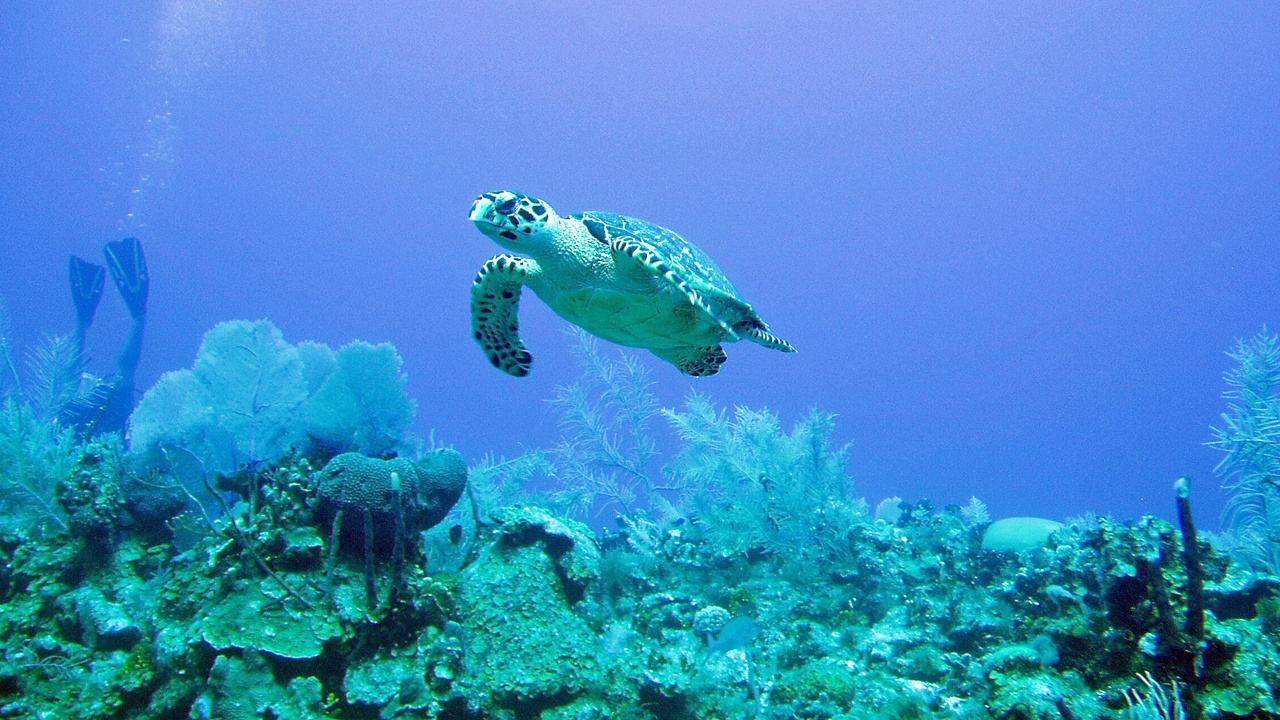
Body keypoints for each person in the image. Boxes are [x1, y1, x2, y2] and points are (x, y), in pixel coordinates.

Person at [64, 238, 149, 434]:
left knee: (72, 385)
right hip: (108, 424)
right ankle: (137, 316)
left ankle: (84, 320)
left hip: (87, 425)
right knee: (124, 375)